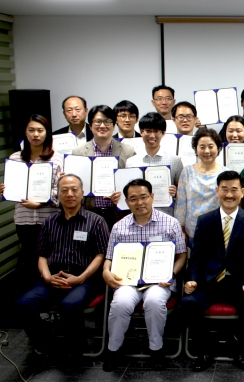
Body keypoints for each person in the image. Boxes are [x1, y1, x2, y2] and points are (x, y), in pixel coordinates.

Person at [15, 174, 109, 363]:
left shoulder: (96, 221)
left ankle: (76, 349)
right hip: (52, 277)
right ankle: (46, 345)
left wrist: (81, 278)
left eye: (74, 189)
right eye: (64, 190)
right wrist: (47, 276)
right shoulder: (50, 222)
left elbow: (101, 255)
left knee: (69, 305)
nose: (70, 194)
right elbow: (41, 255)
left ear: (82, 193)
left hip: (84, 279)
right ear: (58, 195)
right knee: (23, 304)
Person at [180, 171, 244, 372]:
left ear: (242, 192)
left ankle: (238, 345)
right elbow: (197, 256)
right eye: (224, 189)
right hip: (210, 282)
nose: (229, 194)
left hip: (239, 283)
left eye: (234, 190)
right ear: (217, 191)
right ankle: (206, 347)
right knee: (186, 305)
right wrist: (192, 279)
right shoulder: (205, 221)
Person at [102, 179, 187, 372]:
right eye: (133, 199)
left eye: (144, 197)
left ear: (152, 197)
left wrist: (171, 274)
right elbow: (109, 257)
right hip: (127, 281)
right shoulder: (119, 227)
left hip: (159, 281)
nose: (139, 203)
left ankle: (156, 349)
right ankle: (113, 350)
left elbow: (182, 256)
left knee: (154, 302)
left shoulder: (171, 223)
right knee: (120, 303)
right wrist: (106, 272)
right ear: (126, 201)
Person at [0, 114, 62, 285]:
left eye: (40, 130)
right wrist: (4, 190)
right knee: (29, 258)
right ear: (25, 133)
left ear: (47, 133)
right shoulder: (15, 158)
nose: (36, 134)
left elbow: (61, 189)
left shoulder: (57, 158)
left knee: (50, 258)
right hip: (24, 219)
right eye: (31, 130)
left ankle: (47, 291)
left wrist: (41, 202)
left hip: (49, 218)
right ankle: (30, 297)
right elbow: (11, 188)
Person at [72, 105, 136, 229]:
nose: (102, 125)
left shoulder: (128, 151)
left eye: (107, 121)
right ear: (90, 126)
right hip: (89, 212)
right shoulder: (78, 152)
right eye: (97, 121)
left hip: (118, 213)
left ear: (114, 125)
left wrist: (121, 195)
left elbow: (134, 185)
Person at [175, 128, 228, 246]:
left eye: (211, 146)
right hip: (192, 232)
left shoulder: (226, 173)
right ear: (196, 149)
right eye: (202, 147)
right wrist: (181, 229)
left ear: (218, 148)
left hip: (219, 231)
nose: (207, 151)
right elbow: (181, 204)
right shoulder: (187, 172)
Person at [125, 112, 183, 217]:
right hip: (139, 217)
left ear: (163, 133)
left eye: (156, 131)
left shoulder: (175, 161)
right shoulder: (131, 162)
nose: (152, 135)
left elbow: (182, 193)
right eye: (148, 131)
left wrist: (175, 193)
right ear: (141, 132)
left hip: (167, 217)